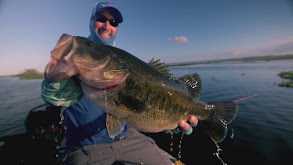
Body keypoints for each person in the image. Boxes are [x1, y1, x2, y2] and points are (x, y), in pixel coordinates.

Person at [41, 2, 198, 165]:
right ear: (91, 21)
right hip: (84, 146)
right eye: (101, 18)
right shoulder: (76, 61)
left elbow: (142, 109)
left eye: (113, 22)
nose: (107, 25)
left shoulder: (124, 62)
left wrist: (166, 122)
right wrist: (52, 86)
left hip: (128, 137)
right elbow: (51, 92)